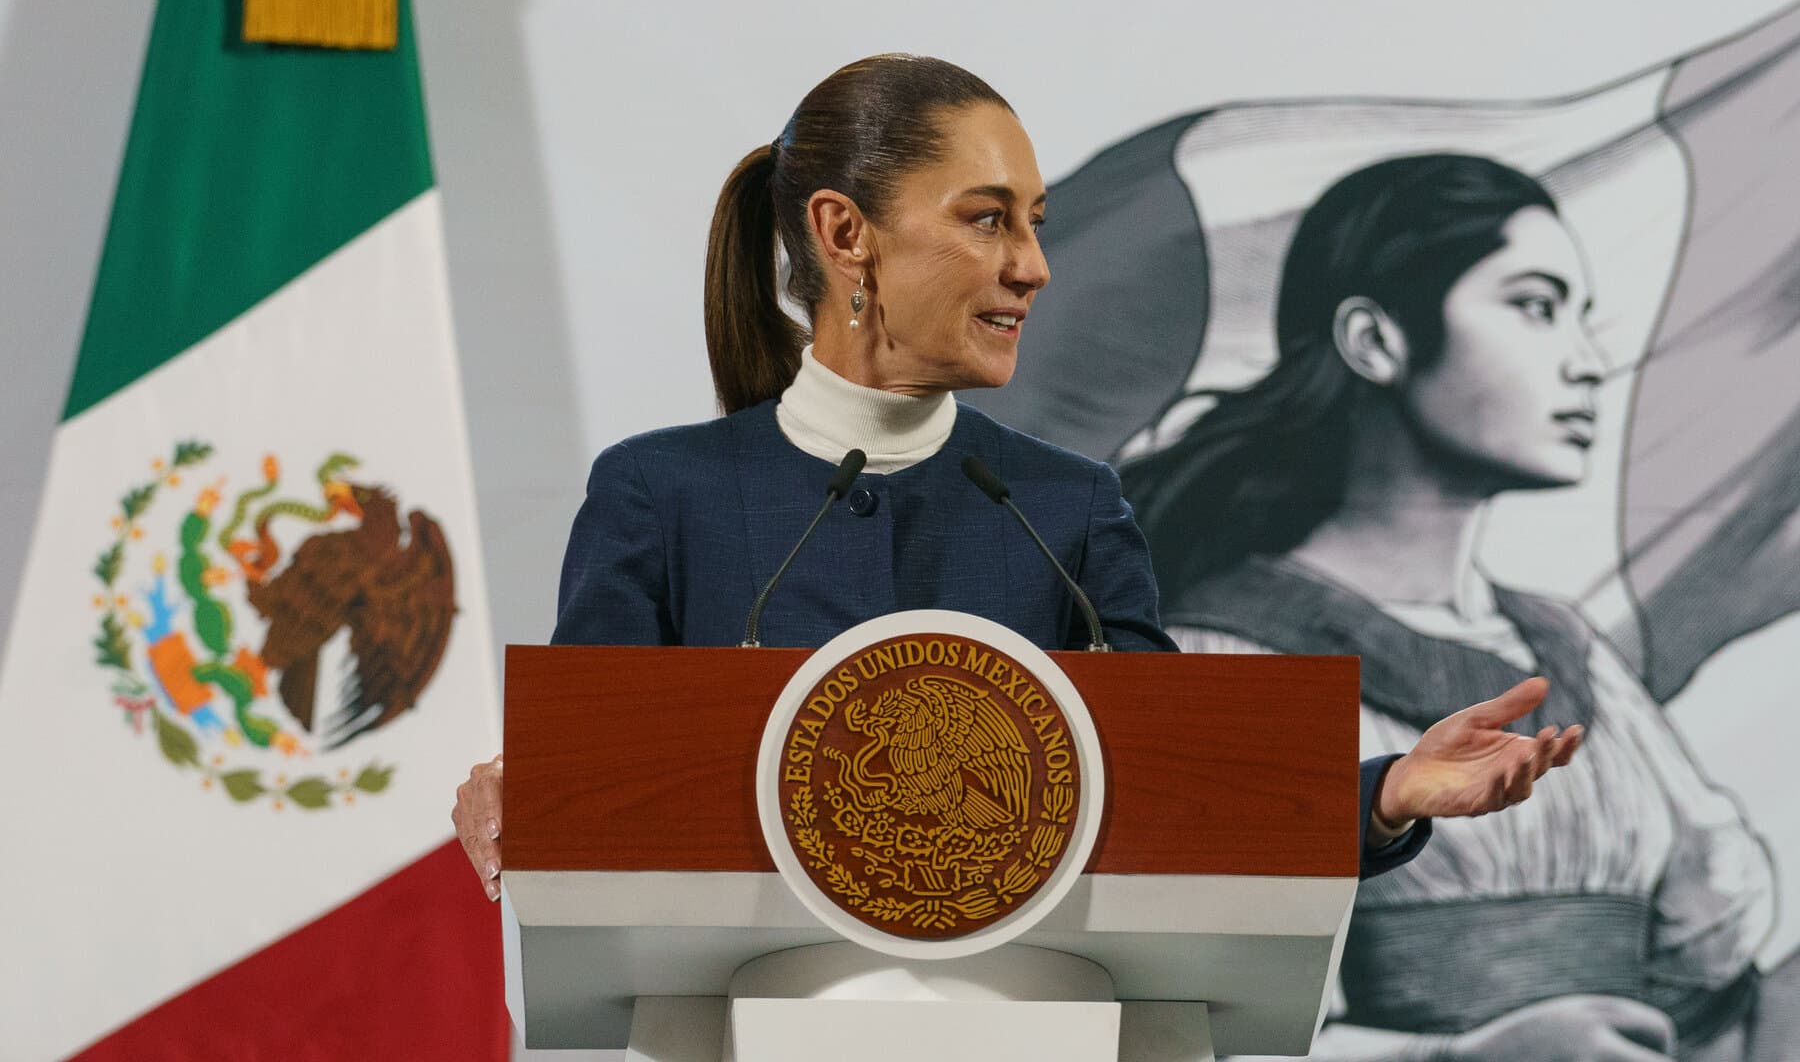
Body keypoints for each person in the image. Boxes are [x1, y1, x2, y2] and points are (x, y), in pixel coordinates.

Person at [453, 61, 1582, 912]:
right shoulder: (662, 495)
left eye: (1033, 225)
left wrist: (1382, 797)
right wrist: (527, 793)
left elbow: (1179, 797)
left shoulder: (1064, 509)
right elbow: (592, 792)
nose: (1033, 265)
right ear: (846, 234)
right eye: (989, 219)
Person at [1122, 153, 1778, 1062]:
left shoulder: (1565, 647)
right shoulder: (1222, 656)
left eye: (1582, 319)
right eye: (1536, 306)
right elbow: (1179, 1027)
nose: (1588, 364)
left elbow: (1710, 966)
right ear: (1375, 341)